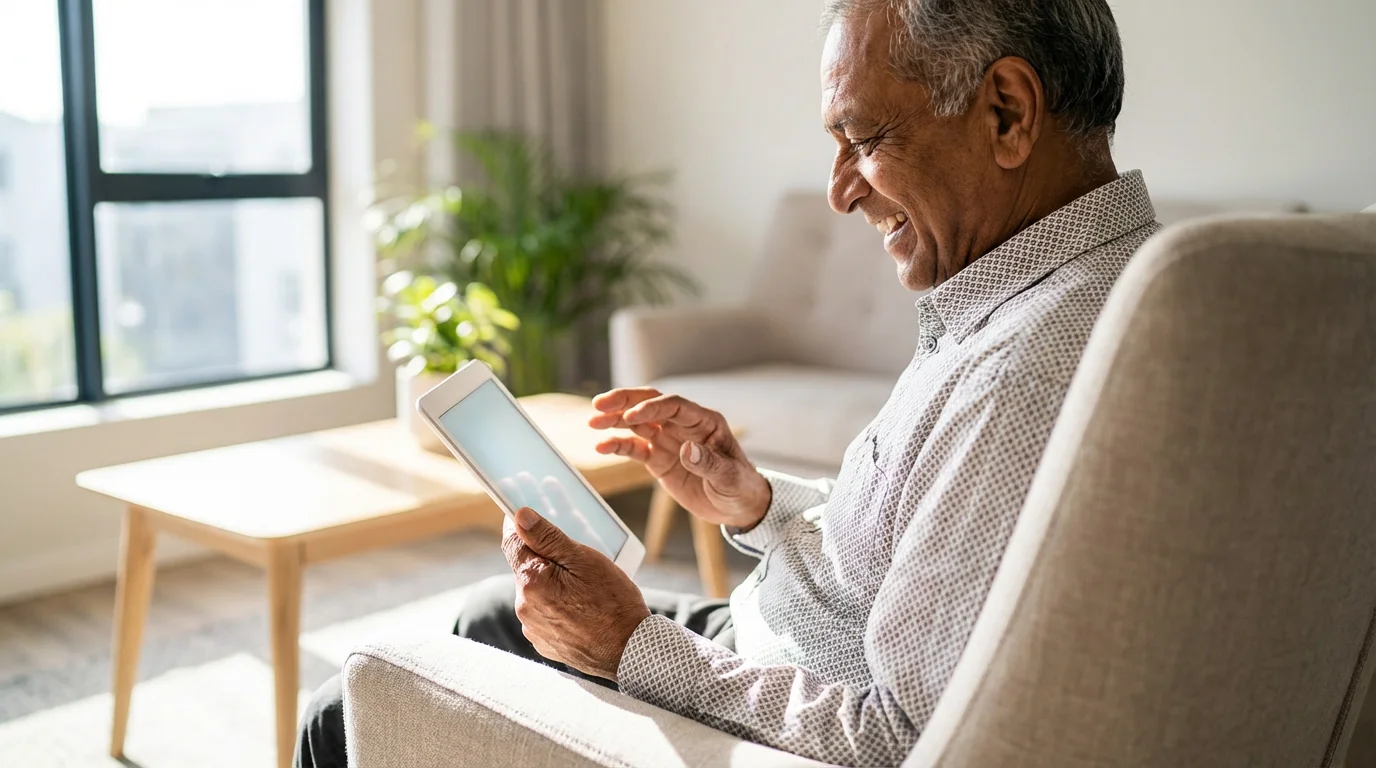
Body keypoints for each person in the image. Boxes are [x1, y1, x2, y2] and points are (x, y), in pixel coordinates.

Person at [296, 0, 1161, 765]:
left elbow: (905, 740)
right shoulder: (1062, 293)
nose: (838, 192)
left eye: (862, 139)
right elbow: (919, 543)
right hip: (788, 638)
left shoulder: (1025, 371)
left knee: (345, 712)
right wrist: (753, 501)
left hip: (792, 706)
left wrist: (629, 646)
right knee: (495, 611)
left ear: (1007, 113)